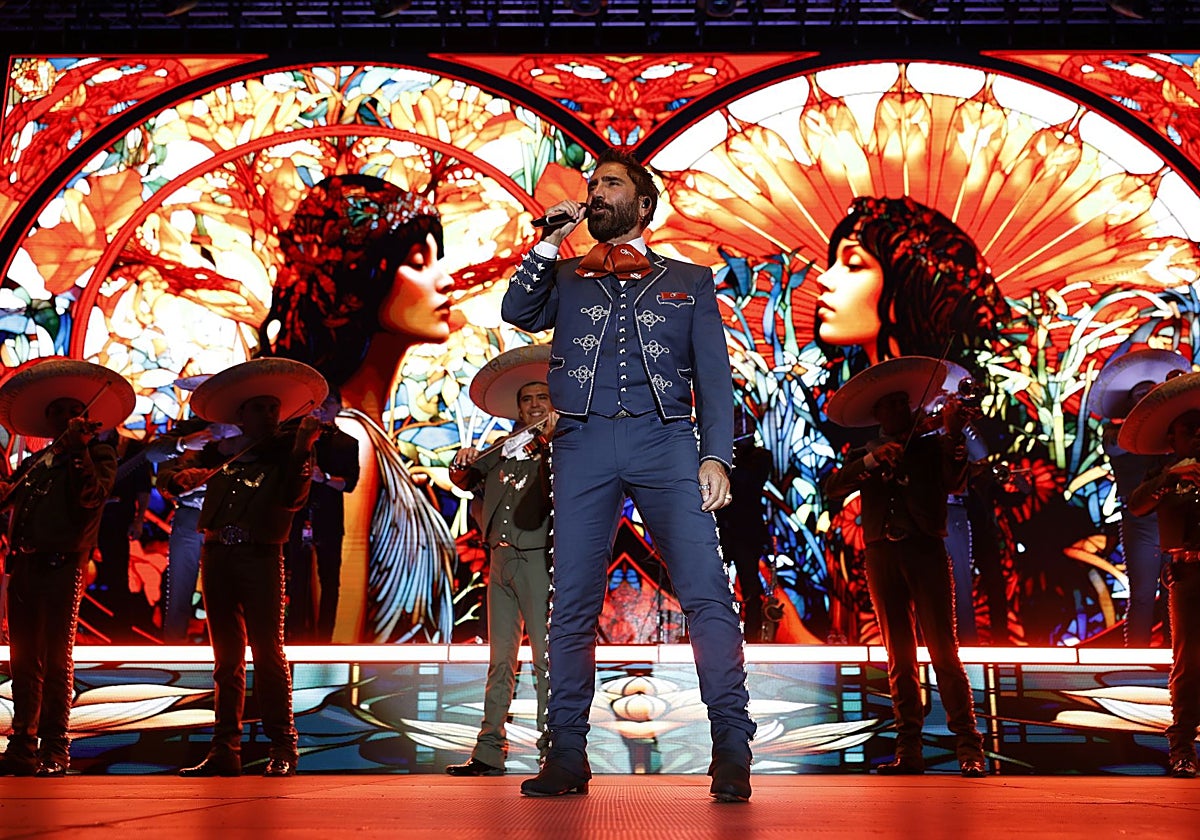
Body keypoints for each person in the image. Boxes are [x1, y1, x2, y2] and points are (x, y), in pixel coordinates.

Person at [502, 147, 756, 802]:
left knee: (704, 590)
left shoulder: (689, 280)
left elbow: (715, 380)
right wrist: (549, 243)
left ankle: (732, 746)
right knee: (575, 602)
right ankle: (566, 754)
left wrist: (715, 456)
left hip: (665, 440)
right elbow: (515, 312)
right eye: (592, 184)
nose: (596, 191)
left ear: (642, 205)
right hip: (583, 442)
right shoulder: (567, 277)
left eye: (610, 183)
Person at [259, 173, 457, 644]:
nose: (445, 278)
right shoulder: (352, 442)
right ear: (362, 281)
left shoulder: (368, 435)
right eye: (417, 261)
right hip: (361, 707)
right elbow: (339, 634)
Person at [823, 356, 987, 777]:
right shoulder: (866, 454)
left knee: (943, 651)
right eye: (889, 406)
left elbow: (956, 481)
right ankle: (908, 750)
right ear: (877, 414)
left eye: (903, 403)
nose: (899, 411)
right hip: (882, 555)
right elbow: (834, 487)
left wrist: (953, 435)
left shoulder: (931, 447)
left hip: (925, 550)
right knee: (899, 656)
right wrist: (873, 463)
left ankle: (969, 747)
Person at [169, 357, 326, 778]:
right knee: (226, 659)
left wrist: (302, 447)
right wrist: (184, 474)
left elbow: (294, 497)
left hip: (260, 557)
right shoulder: (226, 456)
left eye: (274, 408)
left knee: (268, 653)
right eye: (259, 408)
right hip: (218, 556)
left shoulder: (287, 456)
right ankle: (225, 750)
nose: (270, 415)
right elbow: (171, 474)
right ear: (241, 416)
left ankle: (283, 746)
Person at [0, 358, 132, 776]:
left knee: (57, 660)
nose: (65, 418)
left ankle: (55, 747)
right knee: (23, 661)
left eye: (73, 411)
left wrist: (79, 453)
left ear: (85, 418)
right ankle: (22, 744)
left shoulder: (99, 454)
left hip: (62, 567)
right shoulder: (37, 465)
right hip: (24, 567)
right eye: (57, 413)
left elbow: (91, 497)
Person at [444, 345, 555, 776]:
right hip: (501, 561)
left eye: (540, 398)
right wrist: (463, 460)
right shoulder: (503, 449)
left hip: (538, 560)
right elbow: (464, 478)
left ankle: (553, 750)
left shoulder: (560, 449)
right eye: (526, 400)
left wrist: (549, 437)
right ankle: (489, 752)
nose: (532, 406)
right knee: (500, 661)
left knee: (546, 659)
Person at [1122, 369, 1200, 778]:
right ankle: (1182, 746)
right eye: (1190, 429)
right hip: (1187, 575)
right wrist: (1170, 478)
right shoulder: (1162, 477)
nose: (1199, 434)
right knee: (1188, 662)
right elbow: (1135, 506)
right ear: (1172, 439)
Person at [1091, 348, 1190, 647]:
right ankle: (1136, 659)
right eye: (1140, 395)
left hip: (1174, 517)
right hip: (1140, 522)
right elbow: (1118, 447)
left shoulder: (1171, 434)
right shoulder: (1116, 434)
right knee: (1144, 595)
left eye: (1152, 393)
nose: (1146, 399)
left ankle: (1178, 653)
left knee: (1177, 591)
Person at [283, 390, 360, 643]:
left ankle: (325, 637)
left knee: (329, 580)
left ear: (339, 406)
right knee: (296, 579)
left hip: (329, 520)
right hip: (298, 517)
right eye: (319, 403)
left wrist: (324, 478)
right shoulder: (300, 439)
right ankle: (295, 635)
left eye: (329, 403)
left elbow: (349, 484)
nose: (323, 408)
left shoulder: (348, 443)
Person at [715, 405, 773, 643]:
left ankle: (754, 636)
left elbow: (748, 481)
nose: (738, 429)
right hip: (721, 528)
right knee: (715, 584)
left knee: (751, 587)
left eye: (742, 424)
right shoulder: (723, 456)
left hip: (746, 531)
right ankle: (720, 634)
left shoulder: (760, 456)